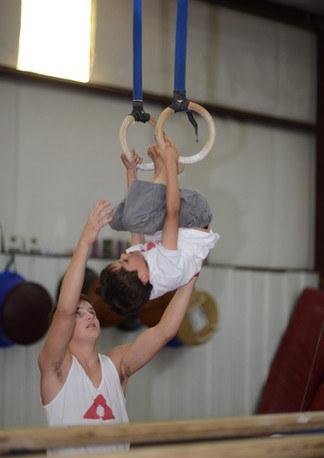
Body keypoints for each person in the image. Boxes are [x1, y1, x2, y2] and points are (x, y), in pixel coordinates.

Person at [38, 199, 197, 455]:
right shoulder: (54, 369)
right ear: (63, 332)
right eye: (80, 314)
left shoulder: (117, 364)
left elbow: (164, 331)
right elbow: (65, 310)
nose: (89, 315)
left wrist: (191, 274)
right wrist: (85, 242)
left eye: (91, 311)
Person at [96, 137, 219, 316]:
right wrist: (169, 165)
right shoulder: (166, 272)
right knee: (134, 219)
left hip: (176, 217)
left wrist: (131, 171)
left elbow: (136, 229)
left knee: (117, 220)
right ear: (144, 277)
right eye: (125, 260)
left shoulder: (138, 278)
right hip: (194, 215)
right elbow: (173, 212)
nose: (123, 254)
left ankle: (164, 173)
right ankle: (165, 172)